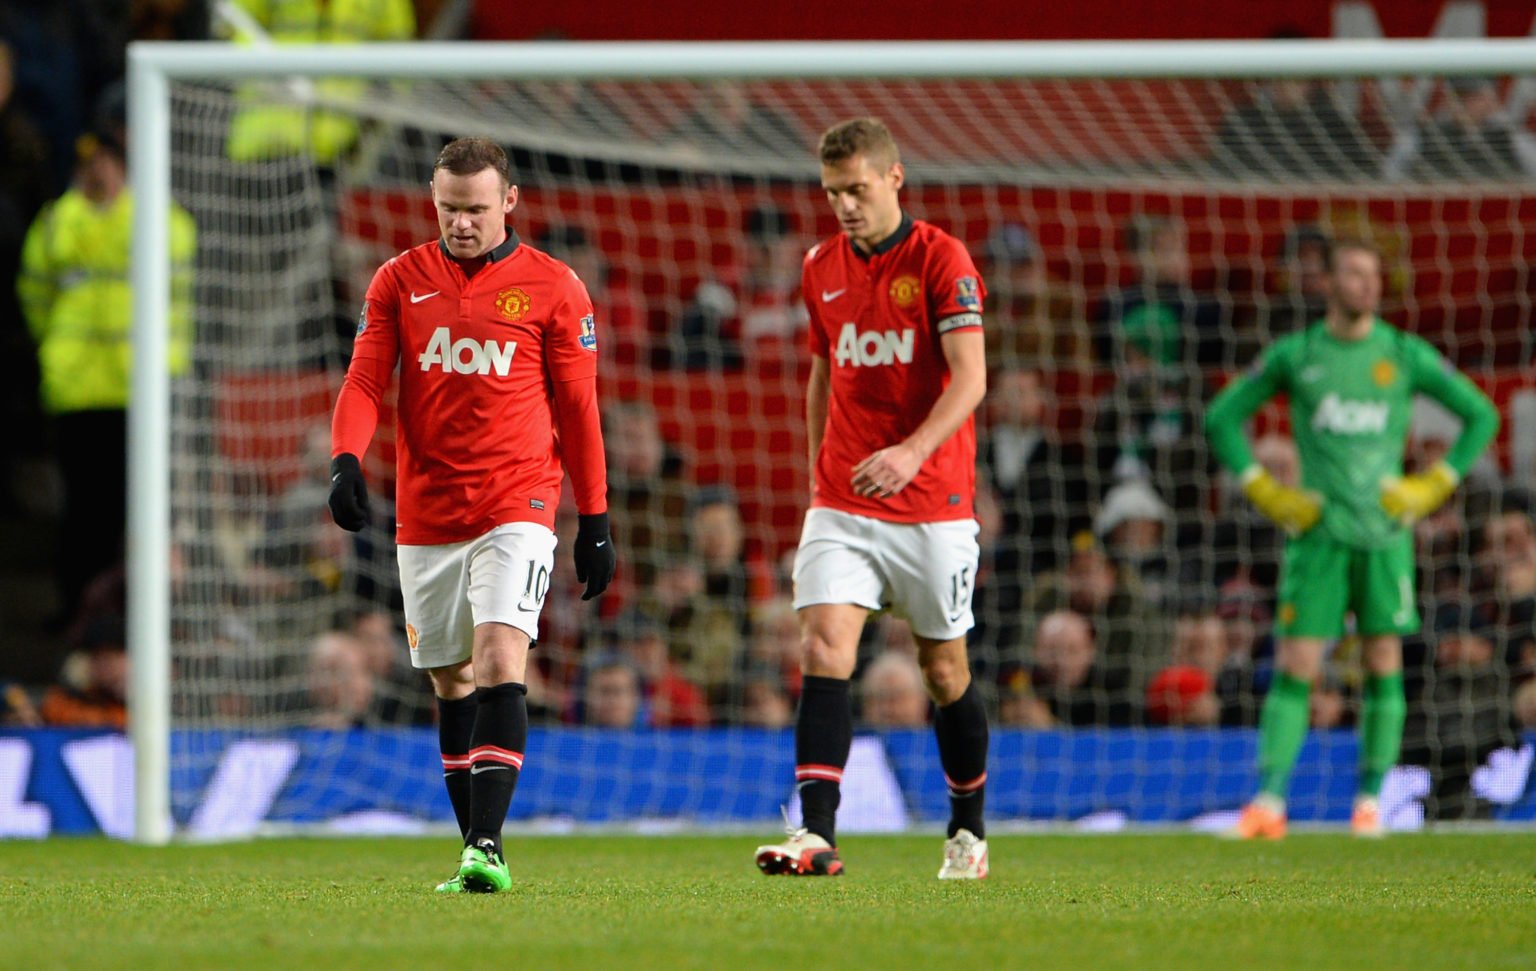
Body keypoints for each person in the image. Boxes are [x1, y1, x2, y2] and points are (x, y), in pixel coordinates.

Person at [327, 137, 616, 893]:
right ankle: (474, 851)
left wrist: (594, 519)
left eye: (476, 209)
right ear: (433, 197)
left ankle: (486, 843)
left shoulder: (555, 288)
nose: (461, 222)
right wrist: (347, 459)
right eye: (449, 207)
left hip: (516, 501)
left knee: (497, 659)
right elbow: (364, 380)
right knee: (451, 681)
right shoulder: (399, 280)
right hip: (427, 513)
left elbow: (580, 411)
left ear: (510, 202)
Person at [753, 117, 991, 880]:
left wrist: (912, 451)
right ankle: (816, 834)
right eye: (832, 193)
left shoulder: (940, 259)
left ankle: (967, 829)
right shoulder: (819, 263)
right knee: (822, 647)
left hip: (933, 500)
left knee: (943, 669)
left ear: (894, 177)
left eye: (857, 189)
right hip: (845, 499)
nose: (845, 206)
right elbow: (824, 368)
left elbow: (971, 376)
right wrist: (821, 465)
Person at [1204, 237, 1500, 839]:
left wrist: (1433, 485)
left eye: (1373, 274)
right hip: (1317, 535)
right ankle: (1269, 803)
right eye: (1354, 273)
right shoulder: (1298, 354)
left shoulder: (1402, 353)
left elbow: (1482, 415)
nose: (1366, 283)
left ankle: (1369, 804)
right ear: (1329, 283)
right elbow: (1221, 417)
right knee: (1297, 665)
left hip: (1385, 534)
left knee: (1384, 662)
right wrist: (1264, 490)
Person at [18, 113, 196, 626]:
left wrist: (169, 358)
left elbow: (180, 289)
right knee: (82, 508)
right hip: (77, 388)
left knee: (137, 505)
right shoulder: (58, 220)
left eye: (105, 161)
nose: (96, 171)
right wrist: (57, 347)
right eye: (88, 163)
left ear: (122, 167)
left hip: (139, 386)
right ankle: (78, 609)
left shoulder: (158, 219)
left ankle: (136, 614)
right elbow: (34, 292)